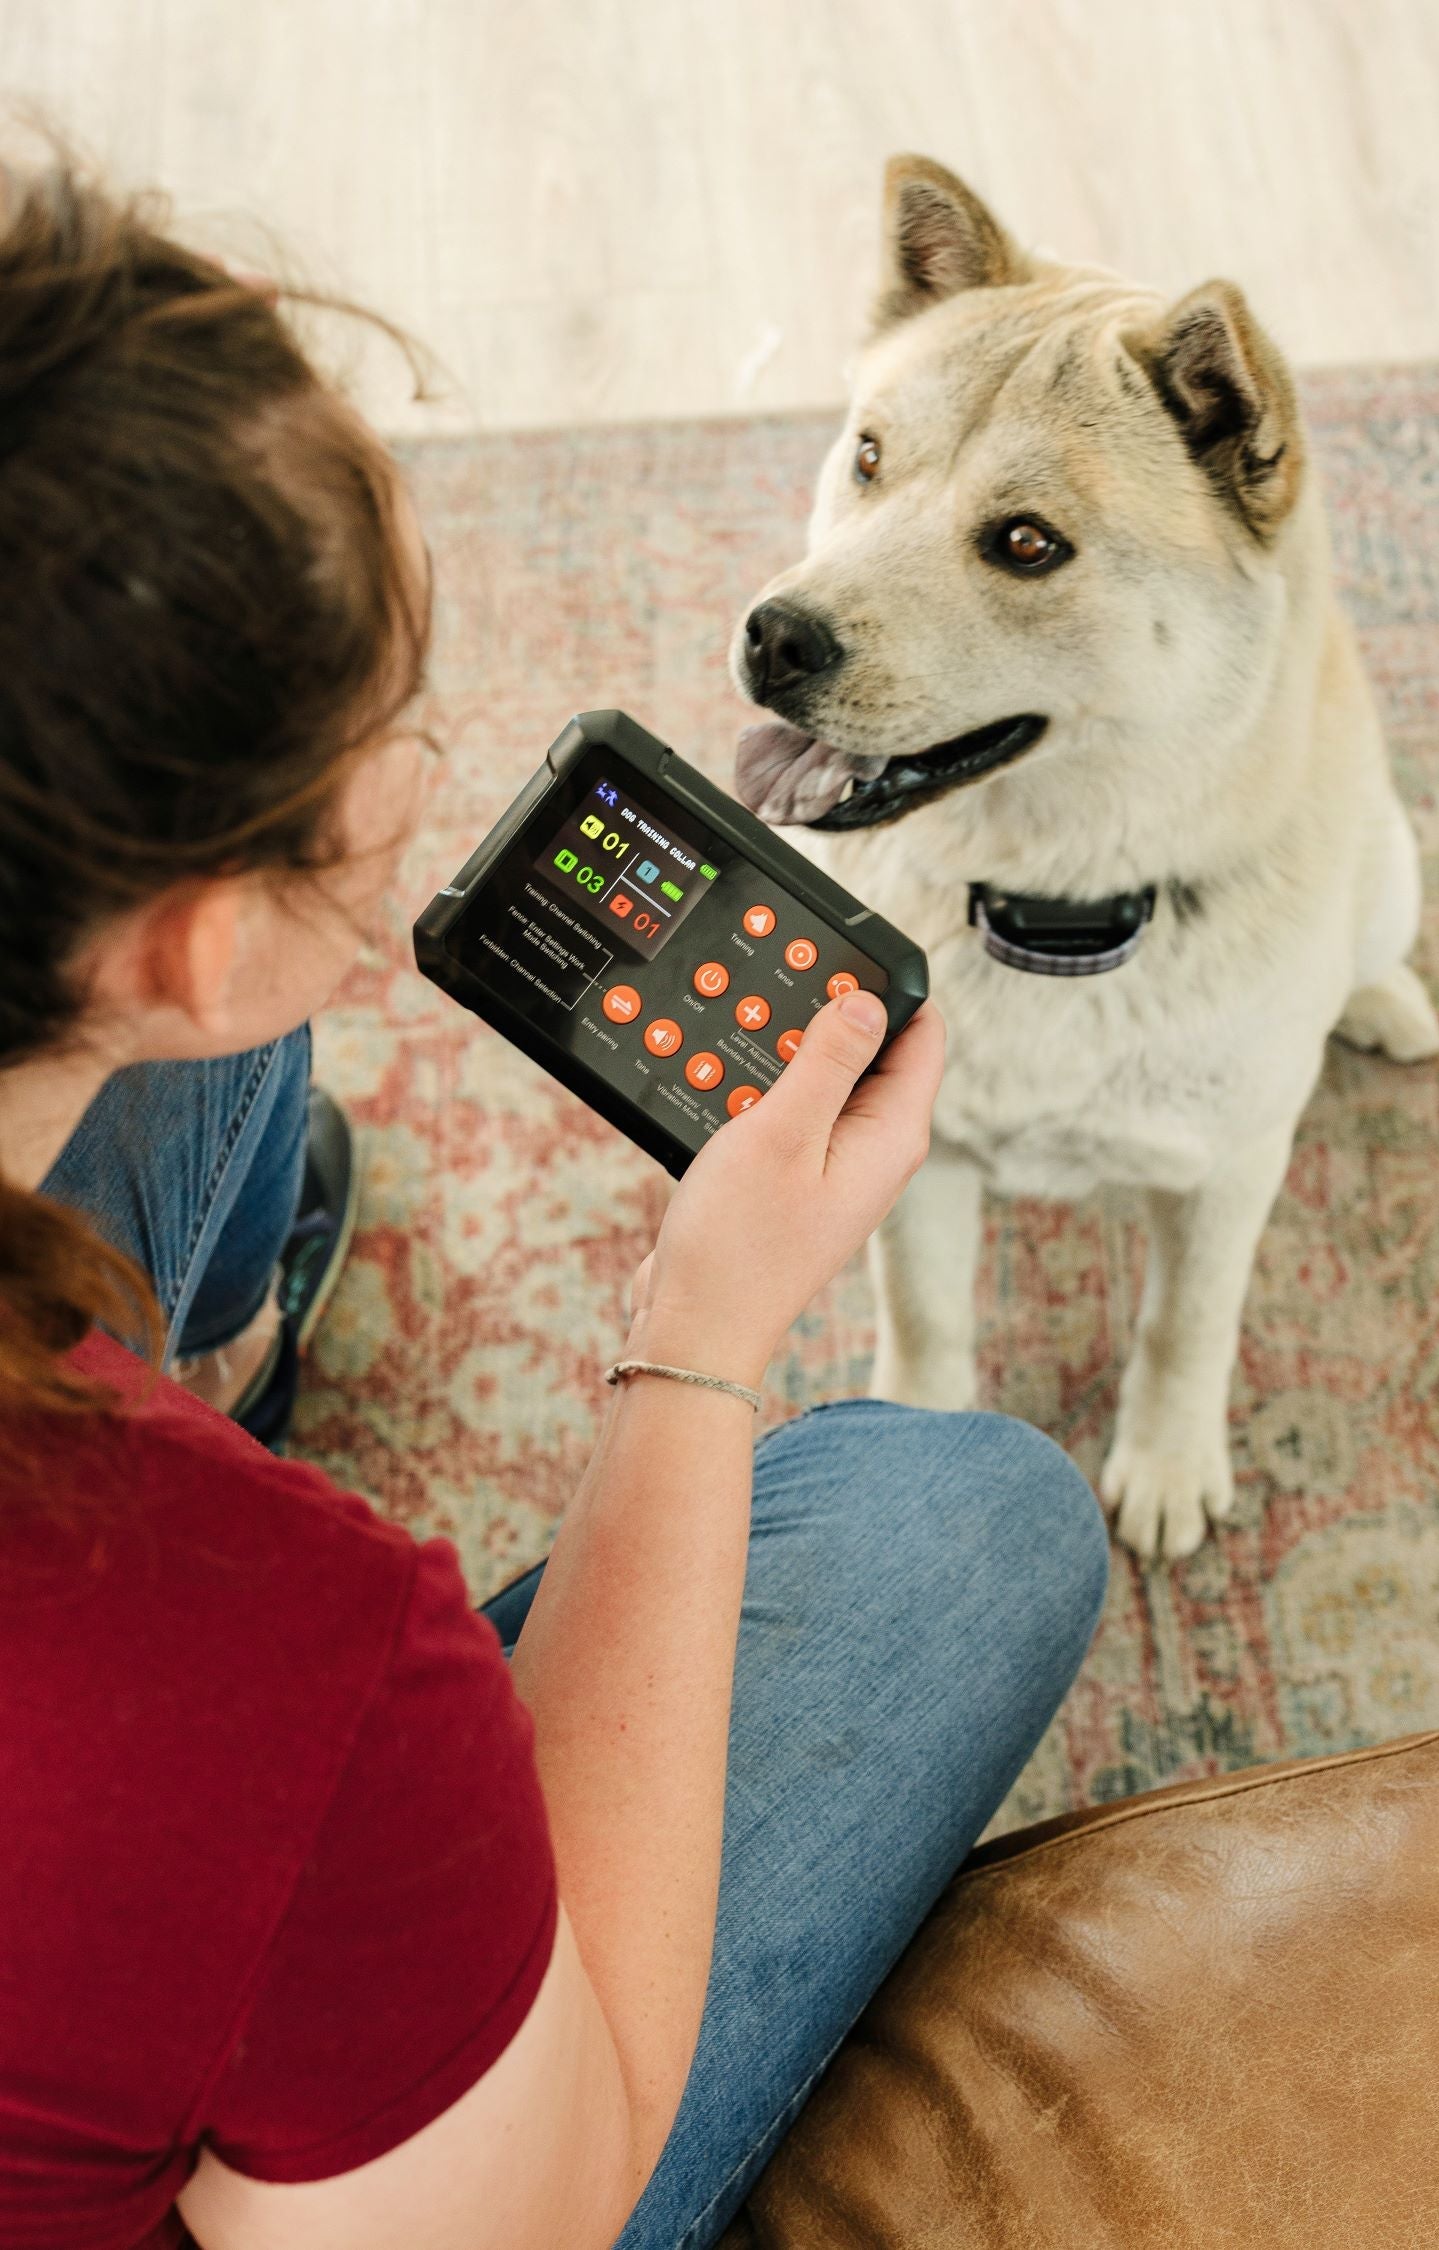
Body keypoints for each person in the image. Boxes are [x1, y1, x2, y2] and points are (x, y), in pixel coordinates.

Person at [0, 154, 1110, 2250]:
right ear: (189, 932)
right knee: (972, 1520)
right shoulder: (302, 1664)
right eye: (385, 734)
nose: (426, 767)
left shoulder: (146, 969)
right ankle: (212, 1390)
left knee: (209, 1083)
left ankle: (218, 1356)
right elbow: (525, 2202)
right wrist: (699, 1344)